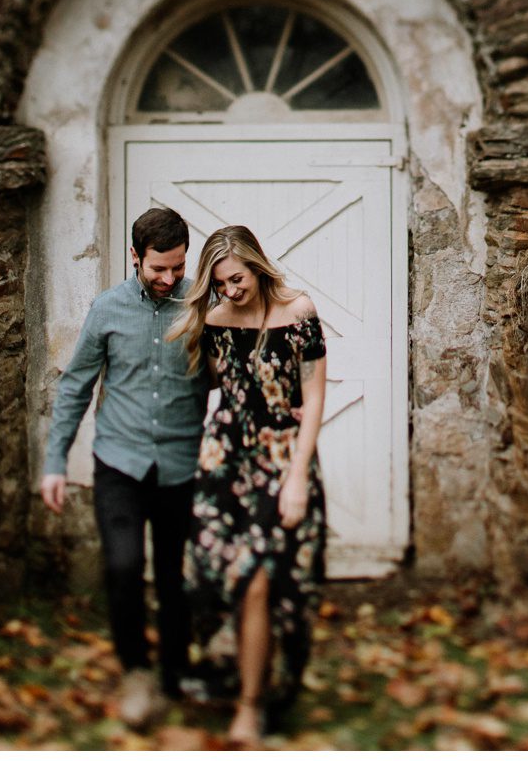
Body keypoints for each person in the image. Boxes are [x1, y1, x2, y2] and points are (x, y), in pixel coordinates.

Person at [39, 206, 203, 728]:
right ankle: (135, 669)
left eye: (177, 267)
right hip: (120, 462)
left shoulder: (204, 302)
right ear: (135, 257)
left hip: (182, 461)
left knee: (177, 577)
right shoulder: (107, 309)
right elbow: (75, 386)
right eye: (159, 268)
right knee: (123, 567)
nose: (170, 278)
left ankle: (176, 674)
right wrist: (54, 463)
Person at [169, 224, 328, 746]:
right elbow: (220, 382)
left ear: (257, 266)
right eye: (220, 284)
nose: (230, 291)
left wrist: (298, 476)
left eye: (237, 279)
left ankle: (251, 706)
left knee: (260, 578)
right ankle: (230, 668)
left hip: (282, 456)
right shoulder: (215, 318)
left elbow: (314, 398)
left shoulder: (300, 312)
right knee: (213, 571)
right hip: (225, 458)